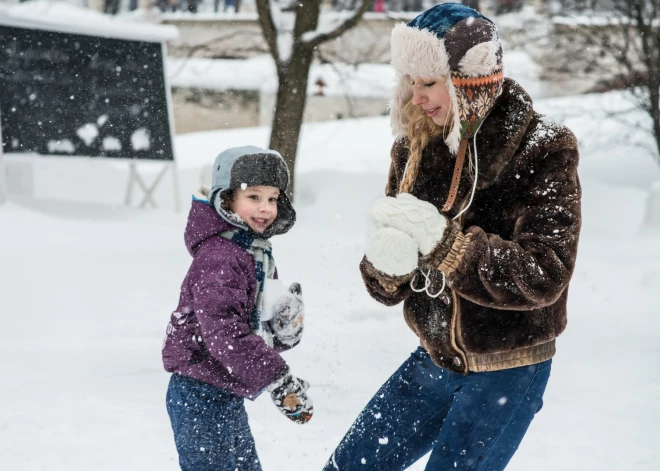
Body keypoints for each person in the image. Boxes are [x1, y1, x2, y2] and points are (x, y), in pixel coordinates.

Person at [323, 3, 581, 470]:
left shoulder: (543, 147)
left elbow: (545, 273)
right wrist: (386, 266)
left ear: (470, 80)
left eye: (427, 83)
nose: (415, 99)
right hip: (433, 356)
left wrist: (450, 248)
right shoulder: (415, 144)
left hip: (509, 369)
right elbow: (391, 280)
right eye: (410, 84)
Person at [162, 146, 313, 471]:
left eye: (273, 198)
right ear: (226, 199)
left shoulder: (253, 252)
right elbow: (224, 336)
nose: (266, 208)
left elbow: (252, 329)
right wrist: (279, 378)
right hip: (198, 394)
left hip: (224, 392)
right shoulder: (220, 258)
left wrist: (284, 328)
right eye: (254, 197)